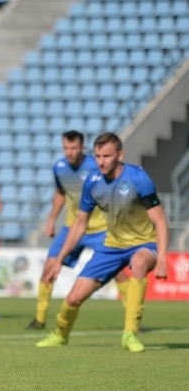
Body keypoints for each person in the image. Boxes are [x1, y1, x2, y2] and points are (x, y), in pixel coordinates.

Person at [37, 132, 168, 352]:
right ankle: (60, 334)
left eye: (106, 156)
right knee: (74, 298)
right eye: (97, 156)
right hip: (111, 247)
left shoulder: (138, 178)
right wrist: (59, 259)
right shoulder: (93, 182)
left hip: (143, 243)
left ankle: (129, 334)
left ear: (120, 154)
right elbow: (80, 224)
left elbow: (161, 221)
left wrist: (162, 257)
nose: (100, 161)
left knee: (138, 263)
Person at [26, 130, 130, 330]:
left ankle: (133, 321)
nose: (70, 152)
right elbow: (60, 193)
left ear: (82, 148)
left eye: (74, 148)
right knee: (49, 268)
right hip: (72, 228)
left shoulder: (96, 166)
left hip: (101, 230)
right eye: (66, 148)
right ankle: (39, 319)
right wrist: (51, 220)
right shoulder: (60, 167)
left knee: (119, 273)